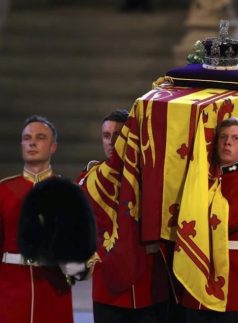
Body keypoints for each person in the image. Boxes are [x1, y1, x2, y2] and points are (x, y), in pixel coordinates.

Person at [79, 109, 171, 323]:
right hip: (108, 287)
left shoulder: (152, 176)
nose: (111, 142)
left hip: (148, 285)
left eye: (118, 135)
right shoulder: (90, 179)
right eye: (106, 136)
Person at [181, 117, 238, 323]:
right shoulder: (199, 179)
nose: (227, 142)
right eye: (223, 137)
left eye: (235, 138)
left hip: (237, 279)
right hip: (198, 272)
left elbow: (230, 218)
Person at [0, 115, 74, 323]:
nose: (32, 142)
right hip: (10, 293)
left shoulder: (68, 193)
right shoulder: (3, 191)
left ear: (53, 147)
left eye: (40, 137)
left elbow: (82, 250)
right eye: (26, 138)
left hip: (52, 290)